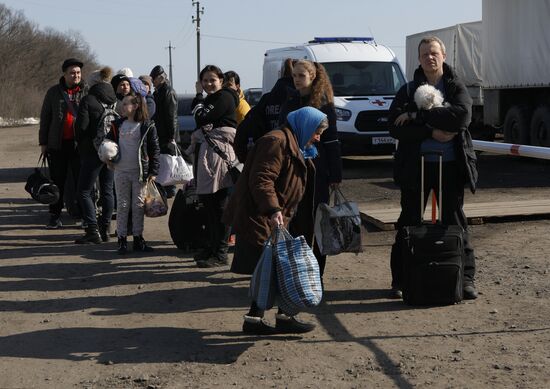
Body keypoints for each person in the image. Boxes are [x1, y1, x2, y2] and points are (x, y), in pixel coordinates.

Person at [388, 36, 478, 300]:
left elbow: (462, 116)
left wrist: (418, 116)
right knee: (408, 222)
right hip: (416, 168)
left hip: (450, 166)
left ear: (444, 56)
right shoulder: (406, 91)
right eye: (425, 54)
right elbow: (394, 127)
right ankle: (401, 280)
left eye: (434, 53)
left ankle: (466, 279)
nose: (430, 57)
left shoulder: (455, 86)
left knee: (455, 221)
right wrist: (430, 130)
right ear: (419, 59)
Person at [224, 106, 328, 335]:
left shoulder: (295, 144)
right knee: (271, 268)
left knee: (279, 267)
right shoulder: (276, 142)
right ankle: (256, 320)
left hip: (280, 216)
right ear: (306, 127)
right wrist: (272, 209)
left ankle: (279, 316)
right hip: (262, 216)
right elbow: (262, 179)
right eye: (317, 132)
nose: (318, 138)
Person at [278, 59, 343, 278]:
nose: (296, 80)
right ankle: (296, 273)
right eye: (294, 75)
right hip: (292, 171)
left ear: (312, 76)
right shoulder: (289, 101)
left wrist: (335, 173)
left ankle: (316, 274)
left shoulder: (324, 104)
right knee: (295, 223)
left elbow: (332, 140)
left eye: (301, 76)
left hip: (317, 171)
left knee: (317, 224)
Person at [189, 65, 239, 268]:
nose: (209, 84)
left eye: (212, 80)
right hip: (208, 154)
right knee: (209, 205)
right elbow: (199, 117)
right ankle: (211, 247)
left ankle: (220, 252)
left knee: (219, 206)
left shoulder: (224, 97)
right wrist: (200, 103)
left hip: (218, 157)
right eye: (205, 80)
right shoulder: (212, 99)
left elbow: (200, 117)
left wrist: (200, 101)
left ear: (221, 80)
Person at [105, 93, 160, 254]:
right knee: (122, 205)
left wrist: (153, 171)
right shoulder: (117, 125)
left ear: (135, 106)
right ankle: (121, 239)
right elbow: (107, 144)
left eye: (125, 104)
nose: (122, 107)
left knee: (138, 206)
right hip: (121, 171)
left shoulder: (147, 125)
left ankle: (138, 238)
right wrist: (107, 158)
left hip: (140, 173)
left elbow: (154, 150)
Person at [39, 58, 88, 229]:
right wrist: (43, 143)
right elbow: (45, 118)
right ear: (65, 74)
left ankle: (85, 216)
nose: (76, 75)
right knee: (57, 182)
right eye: (72, 73)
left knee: (81, 182)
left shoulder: (87, 92)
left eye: (78, 73)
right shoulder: (53, 92)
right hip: (57, 145)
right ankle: (55, 216)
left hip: (79, 145)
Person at [74, 66, 116, 244]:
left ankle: (92, 230)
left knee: (83, 191)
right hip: (111, 150)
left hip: (92, 152)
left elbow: (81, 127)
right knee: (107, 190)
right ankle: (105, 229)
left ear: (92, 84)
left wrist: (81, 142)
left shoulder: (88, 100)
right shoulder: (114, 99)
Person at [233, 58, 296, 163]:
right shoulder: (298, 100)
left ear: (280, 74)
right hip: (290, 156)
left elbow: (246, 127)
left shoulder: (266, 99)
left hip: (267, 154)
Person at [149, 65, 178, 198]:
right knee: (163, 161)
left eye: (154, 79)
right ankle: (167, 189)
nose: (152, 82)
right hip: (160, 133)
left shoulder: (168, 91)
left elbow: (171, 116)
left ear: (160, 78)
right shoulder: (159, 91)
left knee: (168, 162)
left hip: (167, 135)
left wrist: (172, 136)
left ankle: (170, 189)